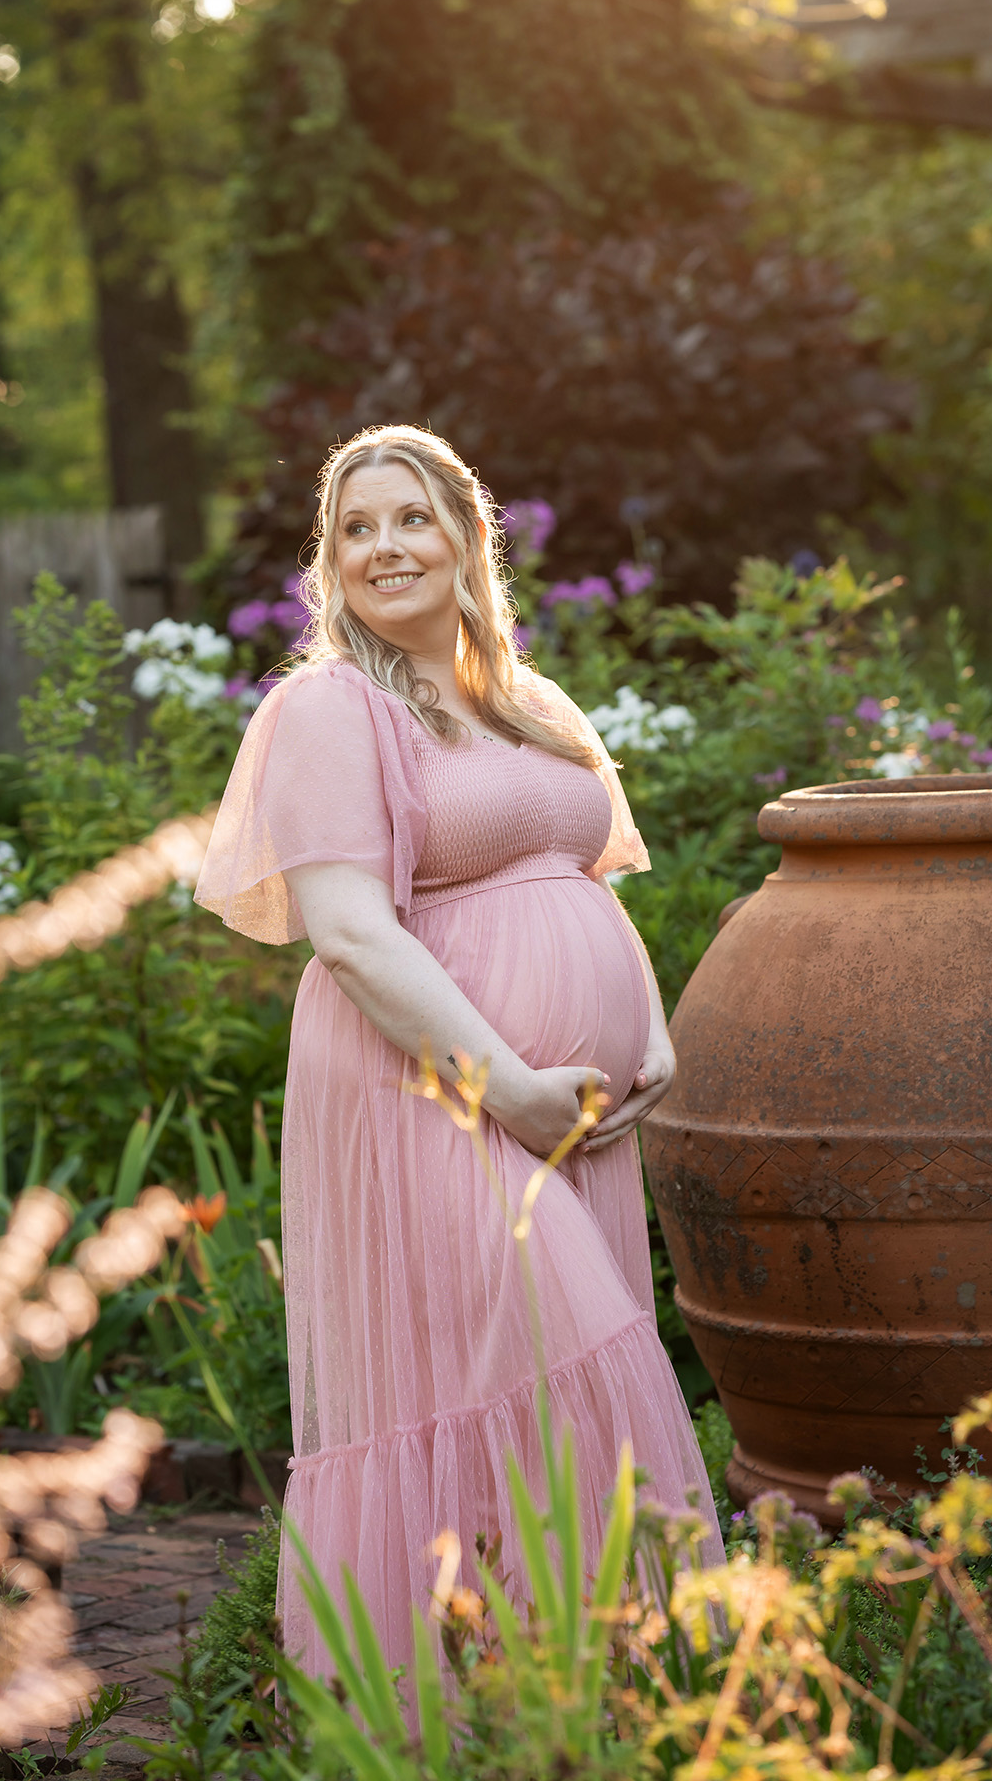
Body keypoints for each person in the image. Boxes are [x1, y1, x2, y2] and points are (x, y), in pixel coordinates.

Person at [194, 424, 722, 1674]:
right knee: (534, 1364)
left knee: (548, 1389)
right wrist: (513, 1087)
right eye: (354, 528)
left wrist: (645, 1022)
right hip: (430, 1093)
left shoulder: (528, 703)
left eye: (411, 517)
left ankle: (583, 1693)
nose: (385, 546)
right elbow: (352, 935)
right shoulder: (330, 709)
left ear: (466, 535)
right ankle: (435, 1698)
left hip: (569, 1110)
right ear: (329, 565)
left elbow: (591, 878)